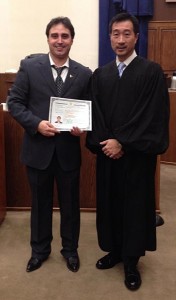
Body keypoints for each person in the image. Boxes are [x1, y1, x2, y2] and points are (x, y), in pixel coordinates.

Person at [86, 12, 169, 290]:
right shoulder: (101, 75)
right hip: (109, 156)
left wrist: (122, 141)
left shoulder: (151, 72)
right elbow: (96, 115)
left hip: (136, 158)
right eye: (115, 34)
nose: (120, 40)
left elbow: (151, 115)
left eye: (126, 34)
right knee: (111, 203)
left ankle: (132, 261)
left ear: (137, 36)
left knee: (134, 207)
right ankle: (115, 251)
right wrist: (106, 142)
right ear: (109, 37)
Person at [8, 16, 92, 273]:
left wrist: (81, 127)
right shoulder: (30, 67)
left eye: (64, 36)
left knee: (70, 205)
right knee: (40, 204)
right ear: (48, 39)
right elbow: (15, 104)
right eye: (55, 36)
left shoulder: (84, 73)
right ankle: (39, 250)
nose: (59, 41)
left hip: (68, 152)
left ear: (72, 40)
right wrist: (36, 124)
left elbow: (87, 111)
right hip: (37, 151)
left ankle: (70, 250)